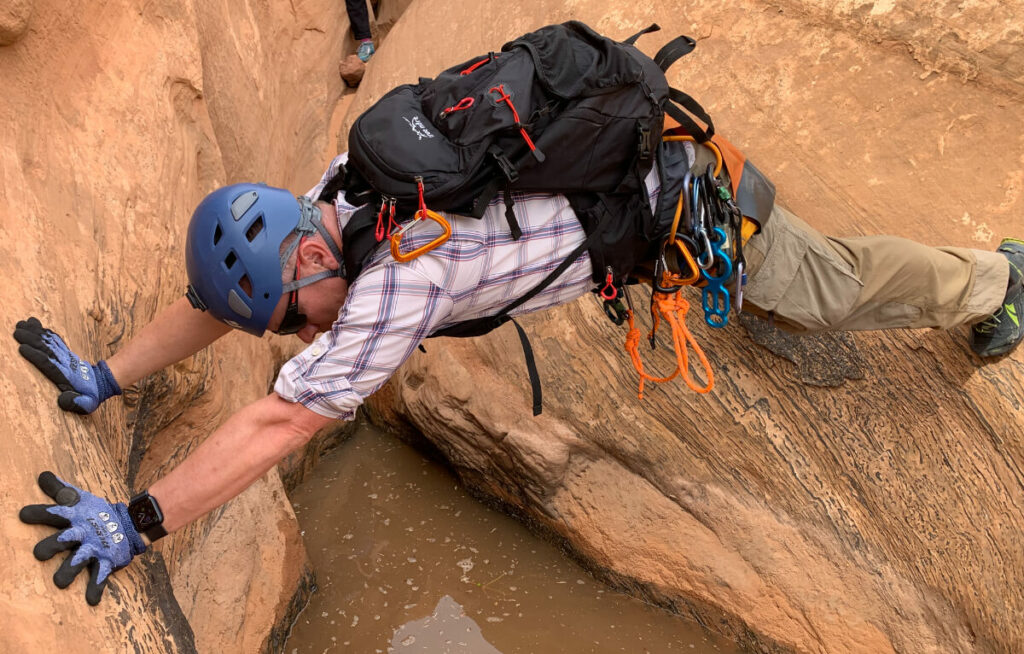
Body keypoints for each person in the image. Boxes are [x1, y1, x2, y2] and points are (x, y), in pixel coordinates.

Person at [14, 145, 1023, 605]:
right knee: (789, 286)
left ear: (313, 262)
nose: (291, 336)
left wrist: (137, 523)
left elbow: (283, 424)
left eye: (289, 319)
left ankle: (994, 278)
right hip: (627, 187)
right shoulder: (330, 191)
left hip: (684, 206)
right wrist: (105, 374)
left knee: (828, 285)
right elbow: (221, 297)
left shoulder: (393, 283)